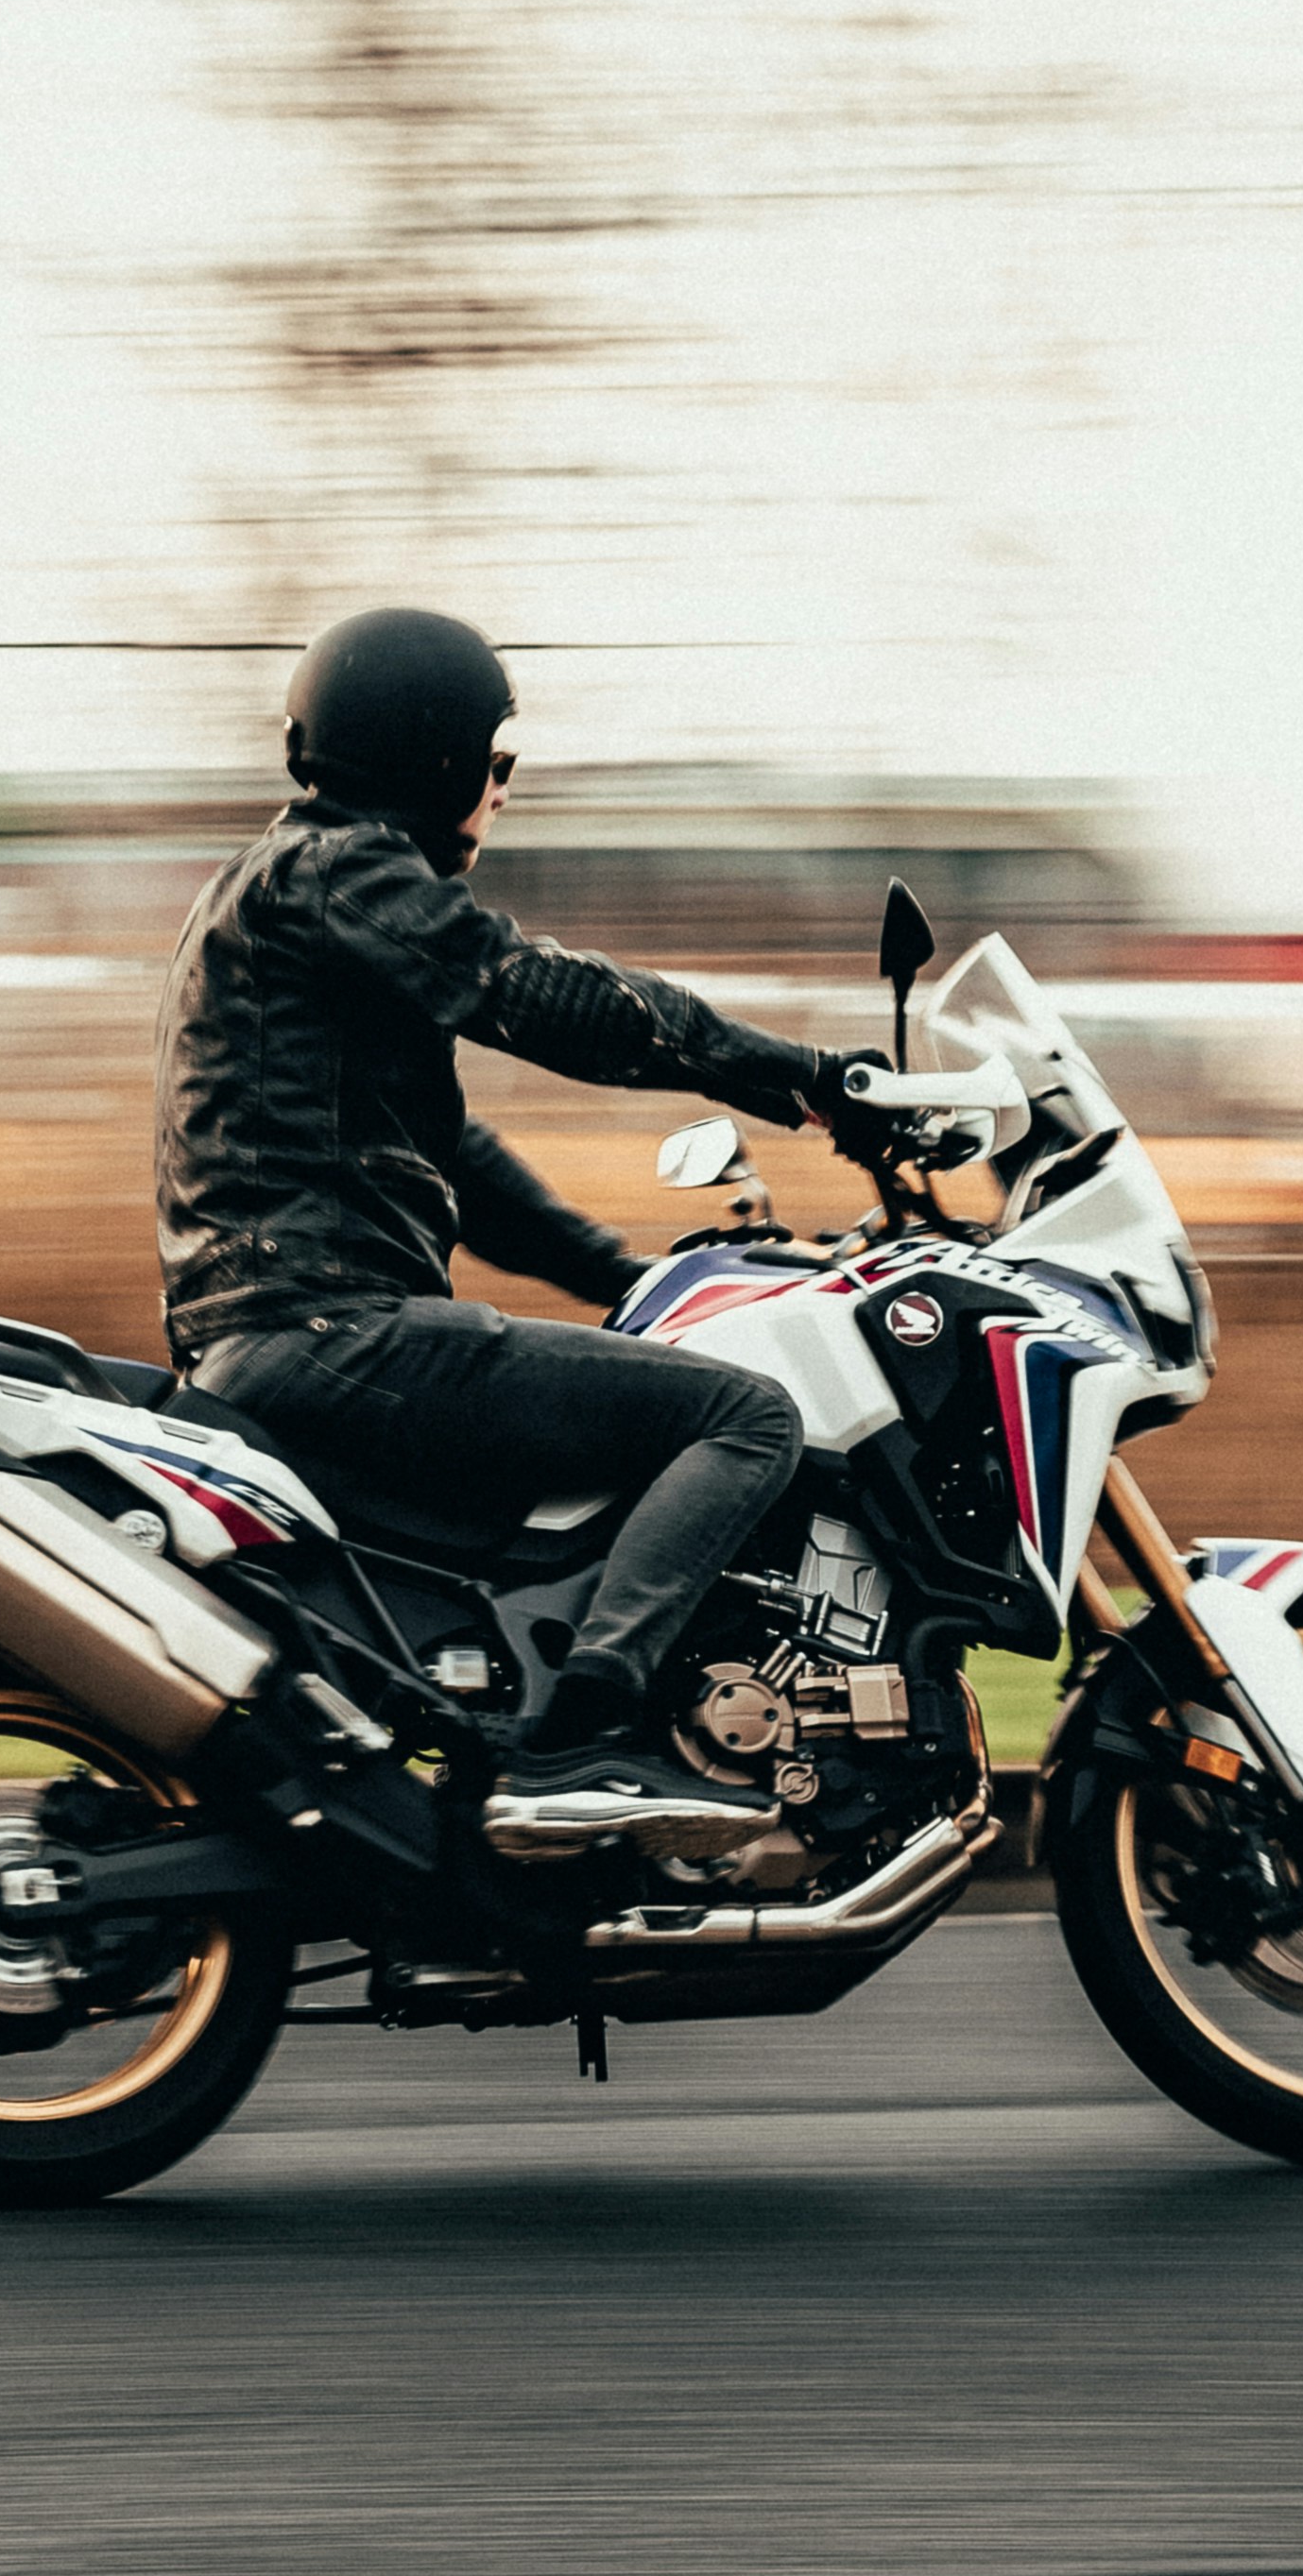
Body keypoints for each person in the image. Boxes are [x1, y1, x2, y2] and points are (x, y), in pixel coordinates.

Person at [155, 606, 868, 1842]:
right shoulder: (341, 872)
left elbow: (454, 1166)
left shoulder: (289, 893)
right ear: (432, 760)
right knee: (746, 1416)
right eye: (494, 757)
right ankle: (583, 1737)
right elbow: (532, 993)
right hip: (332, 1330)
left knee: (642, 1420)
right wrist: (790, 1074)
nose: (500, 786)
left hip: (290, 1331)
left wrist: (622, 1275)